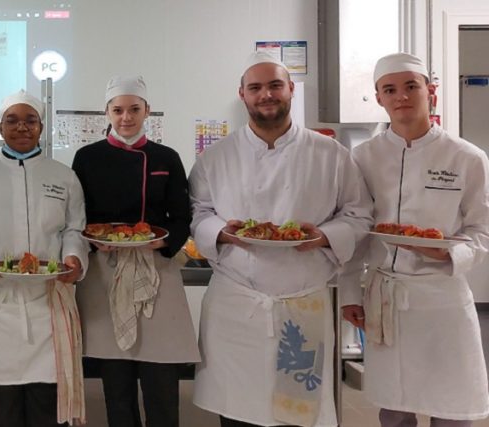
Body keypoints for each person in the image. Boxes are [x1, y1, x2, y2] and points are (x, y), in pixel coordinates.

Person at [188, 52, 372, 427]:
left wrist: (325, 236)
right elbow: (199, 213)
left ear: (290, 90)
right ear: (242, 94)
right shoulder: (216, 157)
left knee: (299, 411)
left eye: (275, 85)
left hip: (302, 302)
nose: (266, 94)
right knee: (238, 410)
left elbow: (358, 214)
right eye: (255, 88)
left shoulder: (331, 155)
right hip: (237, 303)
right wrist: (221, 232)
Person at [340, 52, 489, 427]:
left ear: (430, 91)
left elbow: (481, 231)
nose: (402, 96)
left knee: (453, 407)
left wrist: (447, 254)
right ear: (379, 98)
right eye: (390, 89)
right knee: (393, 407)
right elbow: (356, 229)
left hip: (444, 298)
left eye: (411, 86)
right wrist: (349, 294)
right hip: (385, 296)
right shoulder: (362, 158)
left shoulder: (467, 157)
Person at [70, 76, 199, 427]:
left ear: (147, 112)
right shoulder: (87, 157)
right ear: (107, 112)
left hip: (157, 268)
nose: (126, 117)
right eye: (118, 110)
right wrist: (90, 239)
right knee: (116, 375)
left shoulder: (166, 158)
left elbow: (182, 216)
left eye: (134, 109)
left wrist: (164, 240)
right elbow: (78, 215)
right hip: (105, 271)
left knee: (161, 372)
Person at [0, 90, 89, 426]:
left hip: (48, 305)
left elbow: (74, 229)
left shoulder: (62, 175)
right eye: (13, 120)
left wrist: (74, 260)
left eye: (30, 120)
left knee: (46, 406)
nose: (22, 128)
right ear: (0, 127)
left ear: (41, 127)